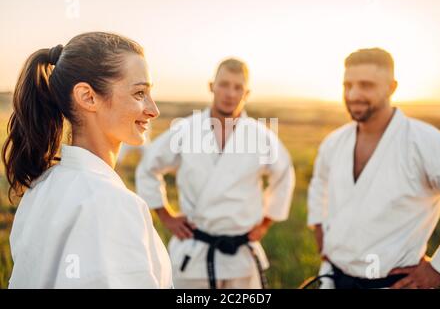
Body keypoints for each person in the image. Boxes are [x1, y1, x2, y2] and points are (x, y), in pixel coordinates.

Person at [3, 32, 172, 288]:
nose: (153, 110)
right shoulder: (113, 203)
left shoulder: (41, 187)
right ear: (87, 97)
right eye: (139, 93)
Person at [135, 58, 295, 289]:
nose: (230, 93)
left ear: (246, 93)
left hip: (241, 258)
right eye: (224, 84)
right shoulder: (186, 129)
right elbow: (148, 166)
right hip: (194, 253)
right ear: (212, 86)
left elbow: (284, 175)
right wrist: (166, 215)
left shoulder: (260, 136)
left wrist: (266, 222)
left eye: (238, 87)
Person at [307, 48, 440, 289]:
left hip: (391, 283)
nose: (353, 94)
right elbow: (319, 184)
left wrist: (439, 268)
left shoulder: (427, 143)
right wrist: (319, 228)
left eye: (366, 85)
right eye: (347, 85)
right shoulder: (334, 141)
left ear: (392, 87)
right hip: (333, 277)